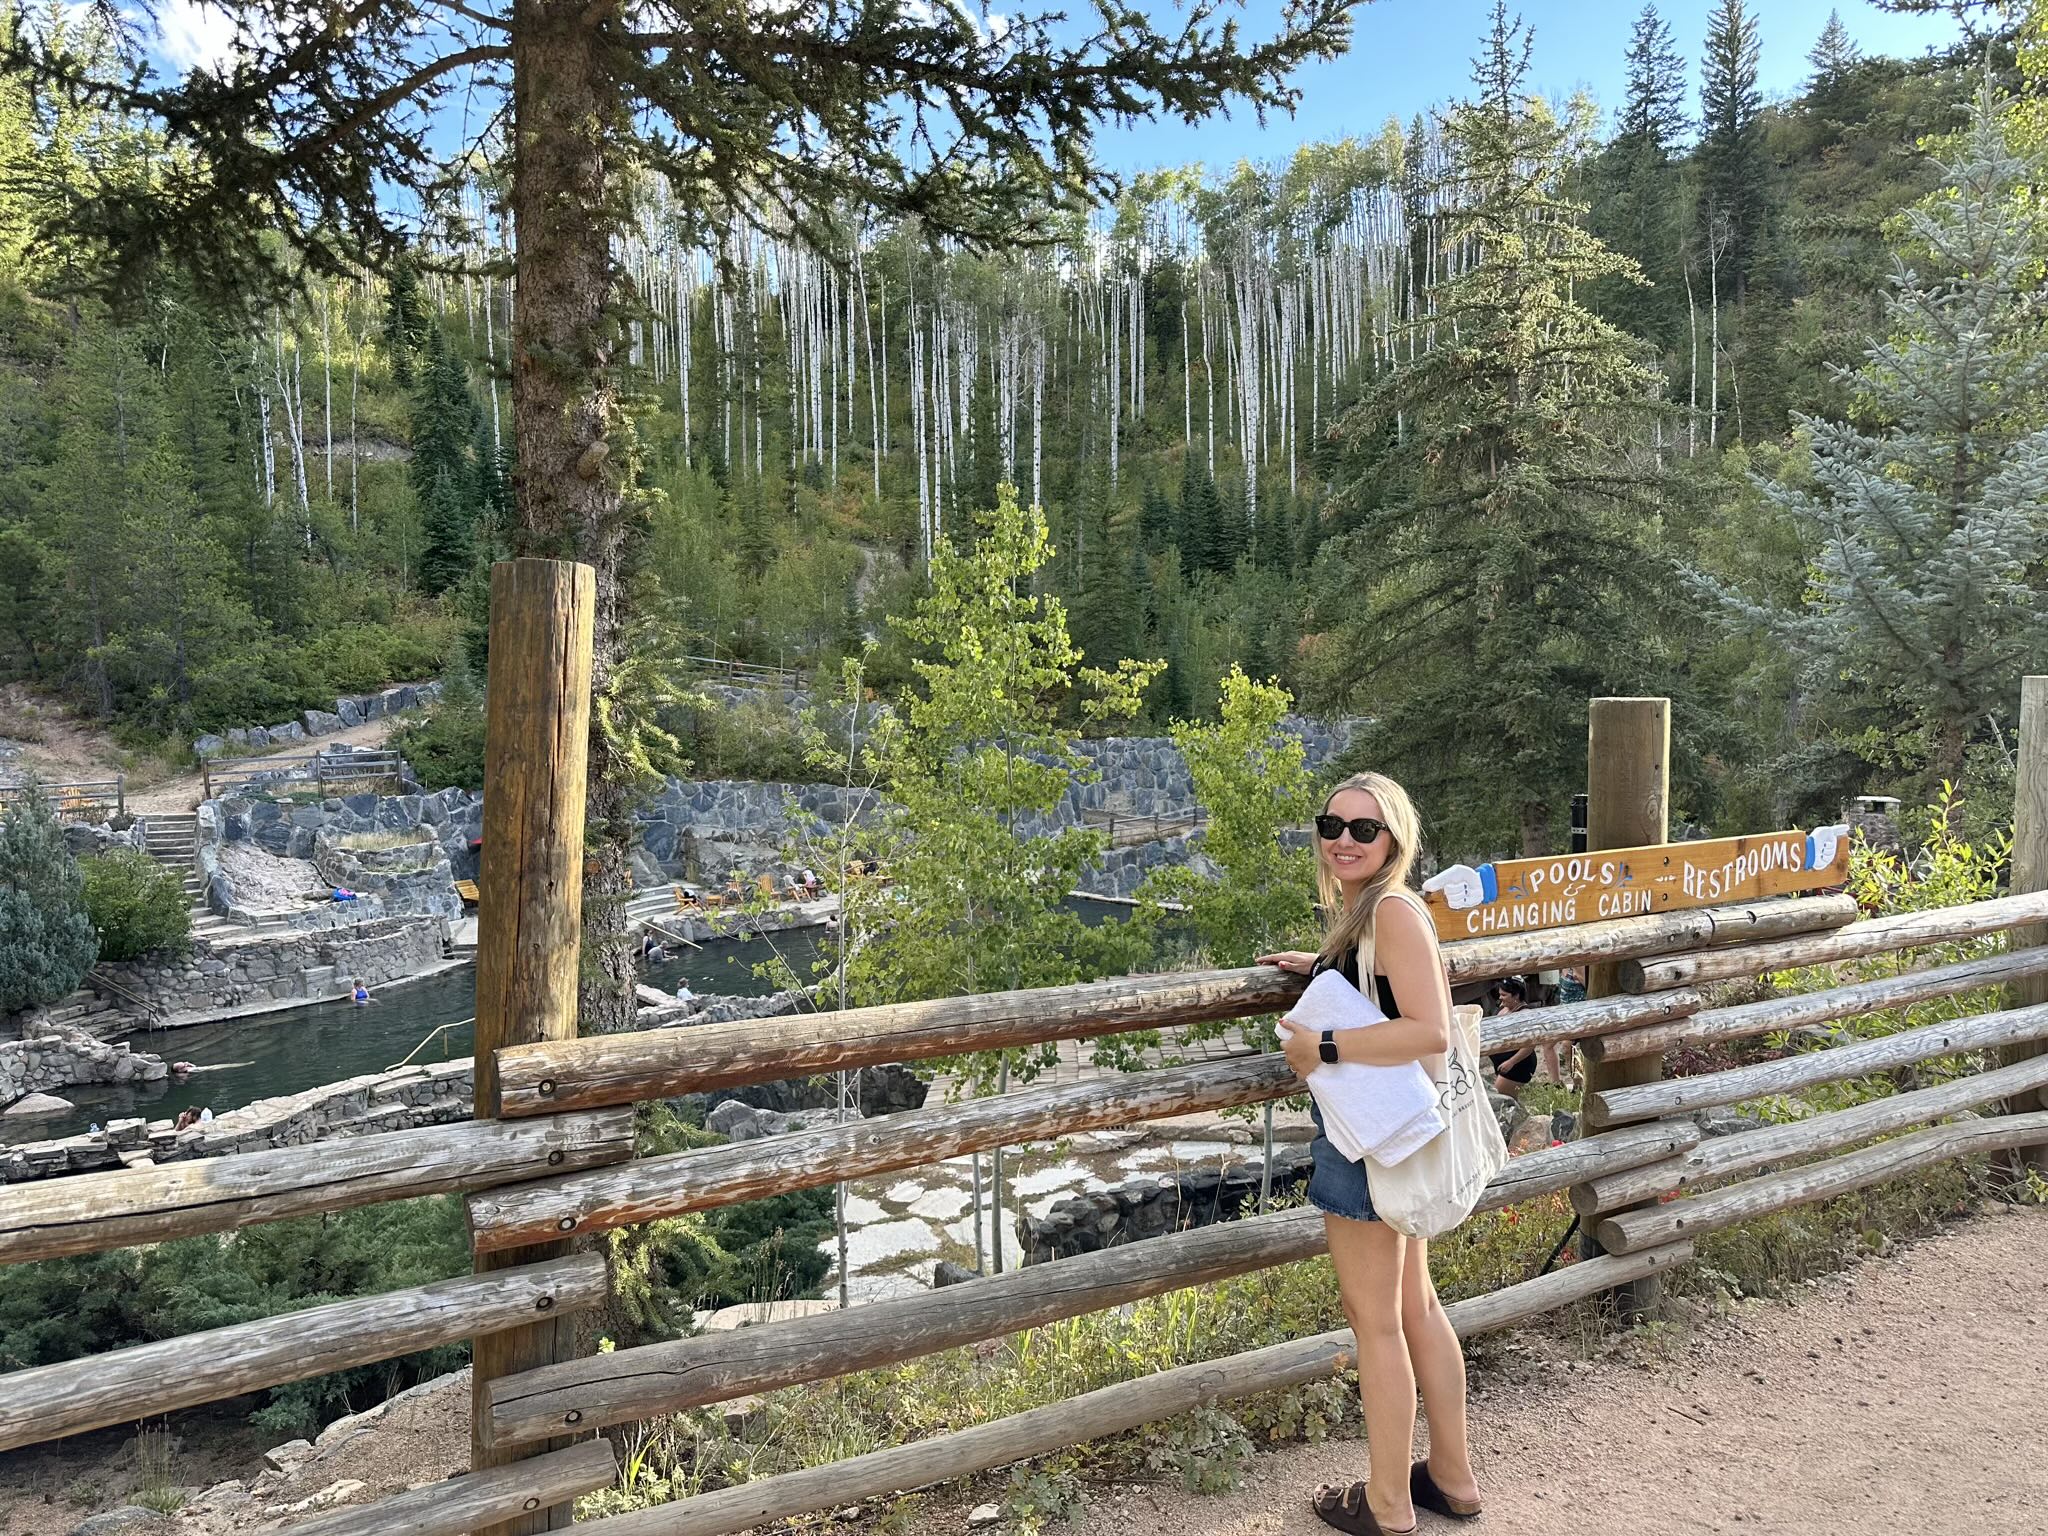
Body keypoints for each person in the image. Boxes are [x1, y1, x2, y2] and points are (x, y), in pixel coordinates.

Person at [1257, 772, 1483, 1535]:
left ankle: (1387, 1504)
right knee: (1414, 1306)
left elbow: (1428, 1030)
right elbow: (1387, 993)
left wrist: (1322, 1041)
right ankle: (1450, 1478)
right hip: (1395, 1141)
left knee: (1377, 1323)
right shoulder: (1370, 916)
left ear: (1394, 840)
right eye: (1332, 825)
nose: (1344, 840)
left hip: (1365, 1142)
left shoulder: (1392, 910)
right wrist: (1322, 968)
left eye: (1364, 829)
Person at [1486, 976, 1538, 1098]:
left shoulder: (1525, 1015)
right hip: (1503, 1064)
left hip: (1518, 1065)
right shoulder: (1505, 1009)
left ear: (1516, 996)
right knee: (1506, 1099)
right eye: (1500, 994)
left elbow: (1530, 1045)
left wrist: (1511, 1062)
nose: (1500, 998)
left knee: (1500, 1100)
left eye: (1504, 995)